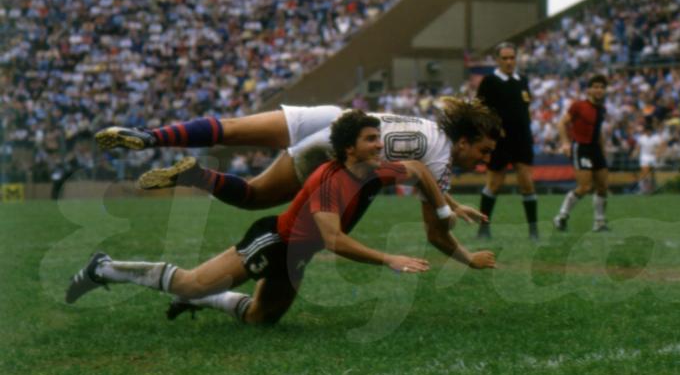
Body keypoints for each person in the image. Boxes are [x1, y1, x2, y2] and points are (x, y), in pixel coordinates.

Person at [65, 110, 496, 325]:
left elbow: (418, 169)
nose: (381, 145)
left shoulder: (375, 168)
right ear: (347, 149)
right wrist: (390, 260)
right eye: (371, 140)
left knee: (261, 318)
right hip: (275, 243)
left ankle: (201, 298)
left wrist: (446, 205)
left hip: (297, 254)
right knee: (192, 278)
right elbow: (334, 240)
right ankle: (104, 267)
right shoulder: (329, 178)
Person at [95, 98, 500, 225]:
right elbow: (436, 225)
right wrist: (462, 248)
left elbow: (432, 194)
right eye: (481, 151)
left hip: (334, 115)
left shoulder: (427, 126)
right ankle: (197, 175)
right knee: (254, 195)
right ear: (463, 140)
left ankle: (152, 136)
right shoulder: (444, 156)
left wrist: (450, 204)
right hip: (339, 144)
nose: (481, 162)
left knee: (231, 128)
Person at [474, 42, 539, 240]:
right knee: (494, 184)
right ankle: (484, 228)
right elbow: (479, 110)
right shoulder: (489, 82)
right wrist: (492, 132)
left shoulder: (522, 81)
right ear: (497, 60)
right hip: (499, 141)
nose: (509, 62)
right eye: (505, 58)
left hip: (521, 139)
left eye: (512, 58)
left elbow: (525, 109)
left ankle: (533, 231)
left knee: (527, 183)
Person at [553, 75, 610, 233]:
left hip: (596, 149)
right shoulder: (578, 105)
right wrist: (565, 143)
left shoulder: (602, 109)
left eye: (602, 87)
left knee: (603, 186)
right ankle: (561, 216)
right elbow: (561, 123)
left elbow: (598, 132)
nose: (599, 90)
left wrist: (603, 150)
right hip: (581, 148)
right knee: (585, 186)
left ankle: (599, 223)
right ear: (589, 89)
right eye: (596, 86)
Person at [633, 119, 666, 194]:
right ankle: (643, 189)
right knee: (645, 173)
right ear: (645, 131)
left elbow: (663, 144)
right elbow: (638, 147)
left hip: (652, 157)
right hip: (644, 157)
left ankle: (651, 189)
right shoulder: (642, 138)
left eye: (649, 130)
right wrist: (635, 153)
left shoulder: (655, 137)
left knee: (651, 174)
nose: (648, 132)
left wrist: (659, 153)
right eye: (647, 130)